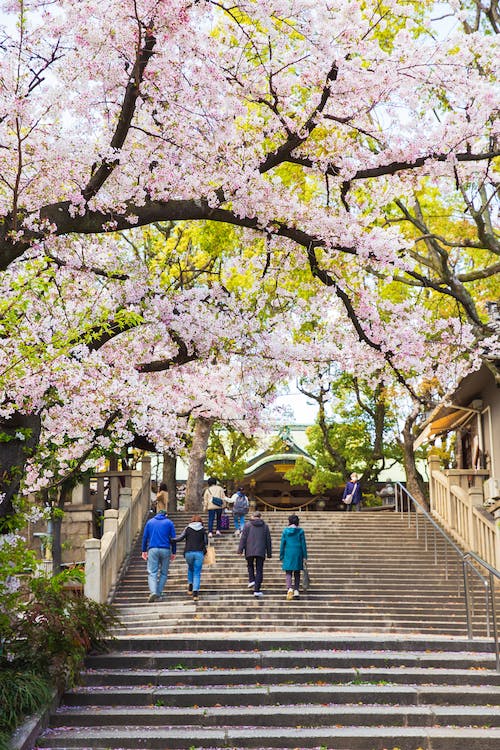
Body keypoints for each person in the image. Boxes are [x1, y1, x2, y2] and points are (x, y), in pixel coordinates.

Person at [141, 510, 176, 602]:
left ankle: (153, 592)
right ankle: (159, 592)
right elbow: (173, 538)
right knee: (164, 573)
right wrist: (174, 552)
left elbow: (145, 537)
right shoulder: (169, 523)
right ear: (166, 515)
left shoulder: (150, 522)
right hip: (165, 549)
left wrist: (144, 550)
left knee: (152, 572)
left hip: (153, 549)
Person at [237, 510, 272, 597]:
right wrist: (269, 552)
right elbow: (268, 540)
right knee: (259, 569)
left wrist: (240, 549)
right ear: (260, 517)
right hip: (260, 551)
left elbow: (243, 538)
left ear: (252, 516)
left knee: (250, 565)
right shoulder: (265, 526)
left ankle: (252, 580)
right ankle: (257, 590)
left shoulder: (247, 525)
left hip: (249, 549)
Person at [173, 514, 208, 601]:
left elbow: (180, 538)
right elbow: (206, 542)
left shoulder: (188, 528)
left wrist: (170, 539)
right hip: (199, 553)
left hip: (188, 552)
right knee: (197, 573)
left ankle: (190, 587)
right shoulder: (203, 530)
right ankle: (195, 594)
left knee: (190, 569)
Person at [280, 514, 308, 600]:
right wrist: (305, 555)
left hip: (288, 552)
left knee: (288, 572)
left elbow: (282, 544)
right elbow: (303, 544)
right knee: (297, 572)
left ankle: (289, 588)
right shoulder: (300, 531)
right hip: (298, 552)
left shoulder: (285, 531)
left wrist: (281, 555)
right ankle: (296, 590)